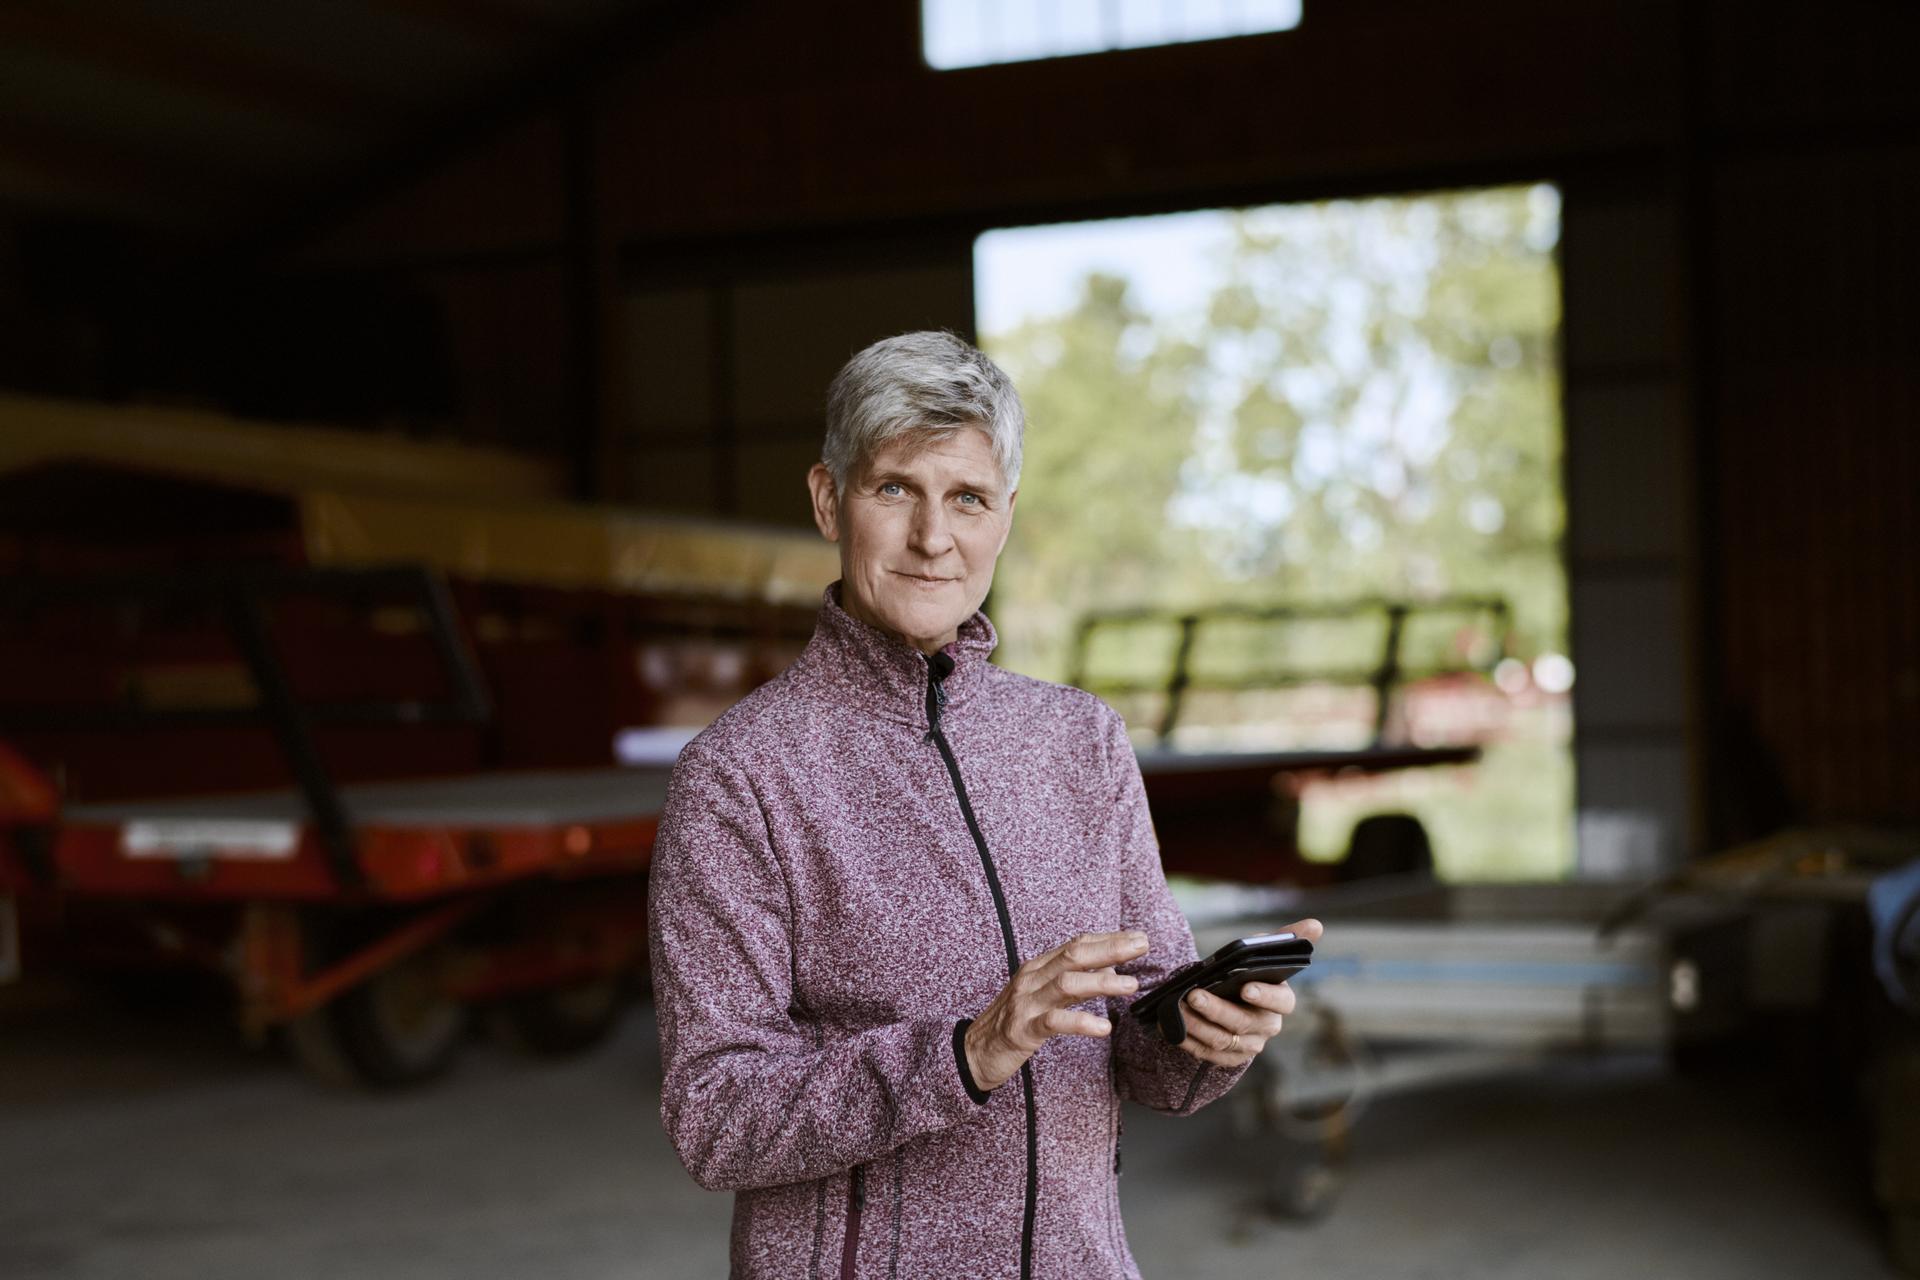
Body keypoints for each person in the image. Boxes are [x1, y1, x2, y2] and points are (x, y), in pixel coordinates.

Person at [648, 330, 1322, 1279]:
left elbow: (1145, 1066)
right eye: (895, 490)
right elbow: (715, 1121)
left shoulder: (1081, 741)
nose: (934, 538)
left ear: (1005, 515)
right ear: (826, 499)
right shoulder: (742, 777)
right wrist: (965, 1053)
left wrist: (1210, 1039)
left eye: (967, 498)